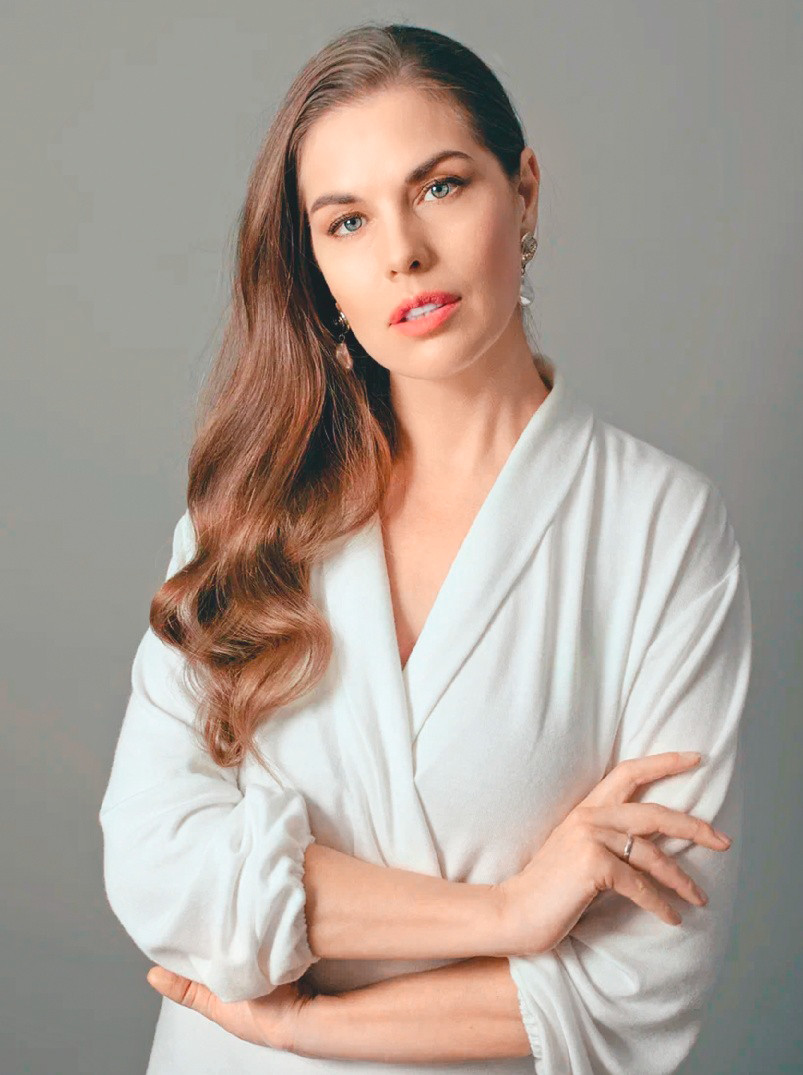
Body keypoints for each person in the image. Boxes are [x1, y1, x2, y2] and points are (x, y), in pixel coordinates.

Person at [99, 22, 752, 1074]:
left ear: (523, 194)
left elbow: (644, 980)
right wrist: (509, 911)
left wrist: (302, 1025)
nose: (401, 249)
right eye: (347, 220)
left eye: (440, 187)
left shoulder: (658, 527)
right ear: (315, 266)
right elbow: (154, 866)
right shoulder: (250, 512)